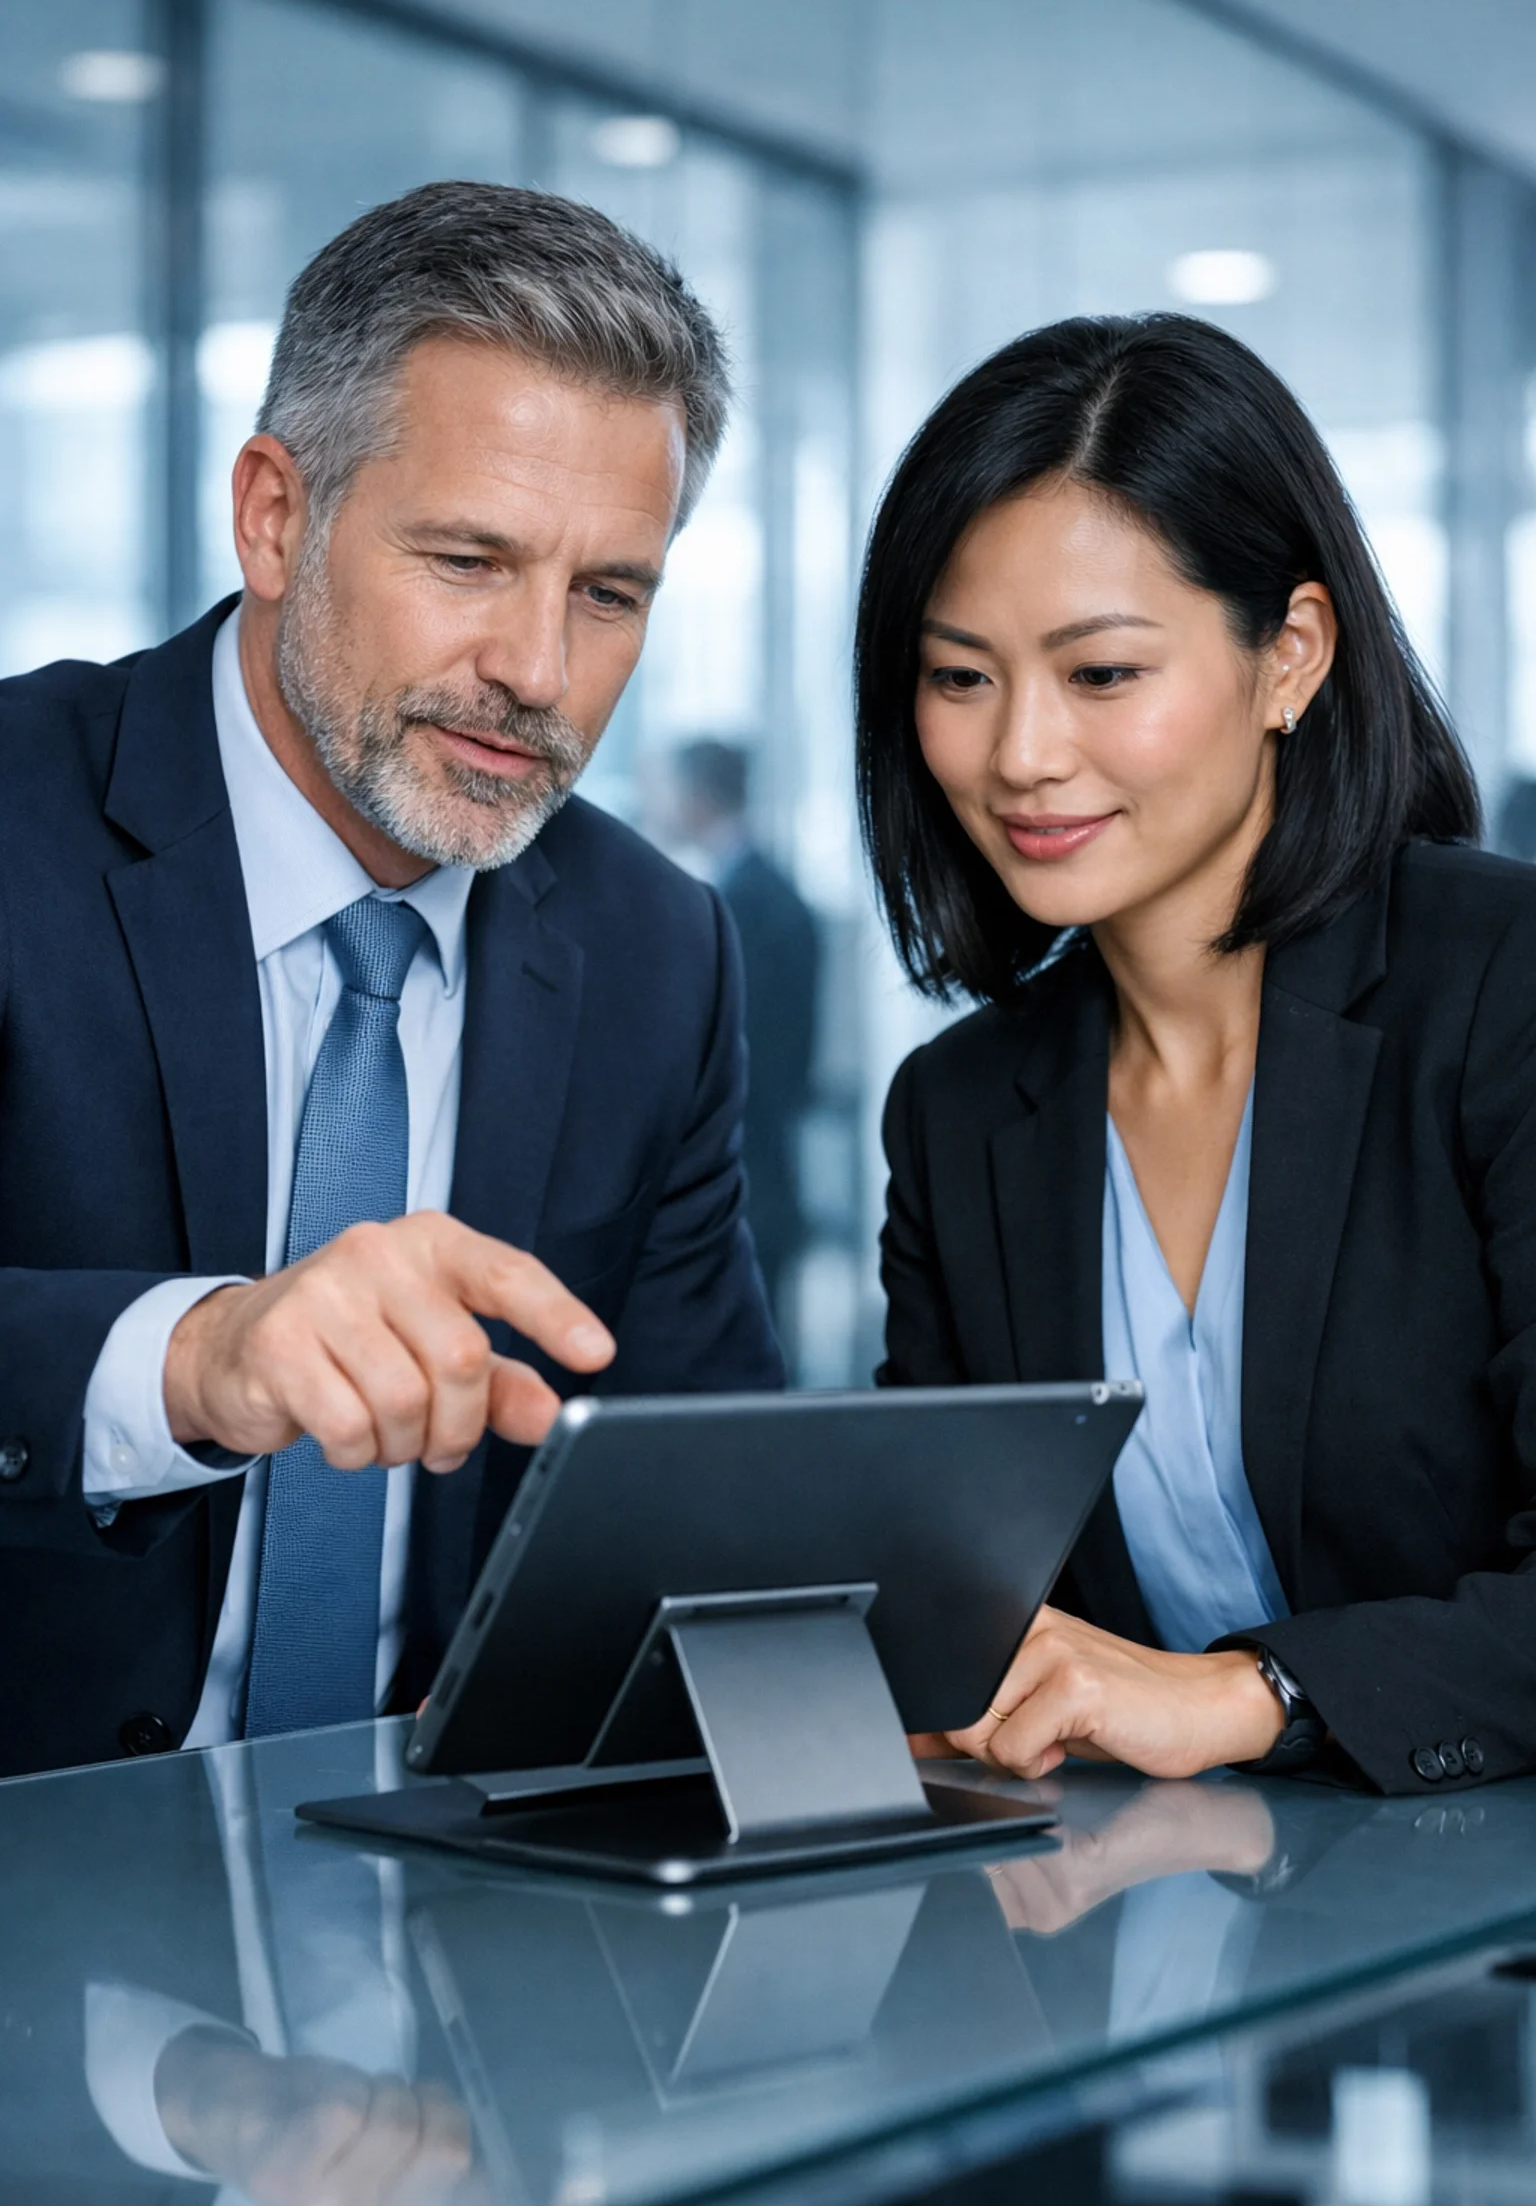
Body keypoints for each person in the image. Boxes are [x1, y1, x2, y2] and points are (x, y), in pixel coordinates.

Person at [0, 180, 781, 1780]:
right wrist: (196, 1357)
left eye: (609, 593)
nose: (539, 672)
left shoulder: (654, 947)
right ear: (277, 515)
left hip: (440, 1927)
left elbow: (707, 1498)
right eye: (470, 560)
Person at [858, 311, 1536, 1797]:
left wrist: (1255, 1691)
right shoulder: (960, 1113)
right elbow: (942, 1614)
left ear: (1288, 655)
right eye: (961, 677)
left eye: (1101, 674)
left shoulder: (1502, 990)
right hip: (1149, 1941)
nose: (1023, 752)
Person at [662, 739, 819, 1322]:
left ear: (697, 797)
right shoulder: (769, 889)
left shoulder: (745, 901)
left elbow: (743, 1042)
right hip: (765, 1148)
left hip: (748, 1155)